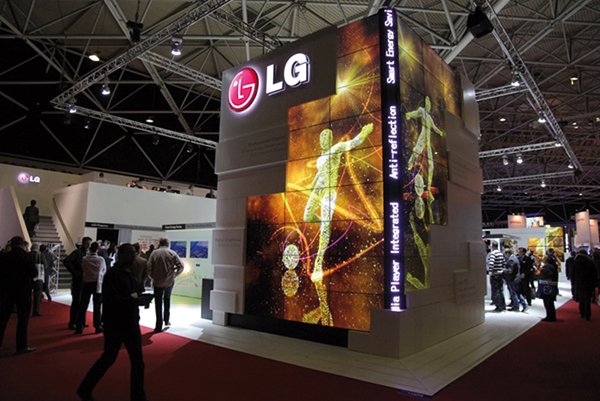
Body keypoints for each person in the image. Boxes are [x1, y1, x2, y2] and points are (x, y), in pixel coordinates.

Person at [302, 122, 374, 326]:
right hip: (318, 190)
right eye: (321, 137)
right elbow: (318, 174)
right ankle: (324, 227)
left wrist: (364, 132)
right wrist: (311, 185)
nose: (323, 139)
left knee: (325, 227)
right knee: (307, 215)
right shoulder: (321, 156)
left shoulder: (336, 149)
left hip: (329, 193)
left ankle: (318, 263)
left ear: (331, 139)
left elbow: (353, 143)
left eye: (326, 137)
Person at [77, 244, 148, 401]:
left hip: (129, 321)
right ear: (122, 255)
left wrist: (138, 298)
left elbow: (130, 293)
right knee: (110, 358)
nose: (134, 256)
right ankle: (85, 388)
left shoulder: (128, 273)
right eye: (131, 254)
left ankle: (138, 396)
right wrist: (134, 300)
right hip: (116, 323)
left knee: (134, 361)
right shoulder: (113, 274)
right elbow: (112, 299)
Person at [405, 96, 445, 224]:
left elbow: (434, 128)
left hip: (428, 142)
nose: (428, 105)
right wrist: (409, 115)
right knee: (416, 151)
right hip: (423, 138)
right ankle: (410, 162)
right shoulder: (422, 111)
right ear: (425, 103)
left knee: (431, 165)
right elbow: (415, 113)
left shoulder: (430, 118)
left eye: (429, 104)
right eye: (427, 102)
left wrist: (440, 133)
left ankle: (427, 186)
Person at [0, 236, 38, 354]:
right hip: (23, 291)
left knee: (3, 318)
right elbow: (34, 273)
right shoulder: (27, 257)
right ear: (22, 244)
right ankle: (21, 346)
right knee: (23, 319)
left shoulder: (5, 256)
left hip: (7, 290)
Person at [147, 238, 184, 332]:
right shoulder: (172, 253)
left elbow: (148, 267)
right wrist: (174, 275)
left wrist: (152, 277)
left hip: (157, 282)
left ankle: (158, 325)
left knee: (158, 303)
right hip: (169, 281)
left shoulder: (154, 253)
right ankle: (167, 320)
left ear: (160, 243)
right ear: (168, 244)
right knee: (167, 300)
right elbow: (181, 266)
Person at [77, 242, 107, 334]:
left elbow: (83, 268)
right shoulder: (100, 259)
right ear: (97, 249)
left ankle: (80, 326)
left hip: (86, 282)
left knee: (83, 305)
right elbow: (104, 270)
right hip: (97, 283)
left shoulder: (84, 258)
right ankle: (97, 326)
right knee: (97, 306)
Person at [63, 237, 92, 330]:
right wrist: (74, 272)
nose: (89, 246)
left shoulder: (86, 253)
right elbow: (66, 261)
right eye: (87, 244)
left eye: (89, 244)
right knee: (76, 302)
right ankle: (72, 322)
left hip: (84, 281)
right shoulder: (78, 252)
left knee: (83, 302)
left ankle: (80, 321)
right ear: (83, 243)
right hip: (78, 281)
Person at [572, 247, 596, 321]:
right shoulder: (590, 261)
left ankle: (582, 312)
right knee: (587, 299)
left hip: (579, 283)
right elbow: (594, 273)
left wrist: (573, 282)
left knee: (581, 298)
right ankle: (587, 314)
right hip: (588, 283)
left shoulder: (575, 262)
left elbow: (573, 273)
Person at [537, 255, 559, 322]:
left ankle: (550, 316)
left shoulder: (548, 267)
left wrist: (542, 271)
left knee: (548, 302)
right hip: (549, 287)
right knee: (549, 303)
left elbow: (548, 275)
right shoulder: (552, 266)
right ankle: (551, 316)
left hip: (547, 287)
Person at [487, 242, 506, 312]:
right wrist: (501, 270)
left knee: (496, 291)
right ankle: (503, 306)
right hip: (500, 274)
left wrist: (490, 272)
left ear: (492, 246)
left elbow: (491, 264)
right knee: (501, 290)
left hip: (494, 275)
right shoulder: (501, 253)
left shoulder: (493, 254)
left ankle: (498, 306)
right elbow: (504, 263)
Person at [29, 243, 47, 317]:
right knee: (37, 294)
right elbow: (45, 265)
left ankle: (26, 310)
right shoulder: (40, 255)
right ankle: (35, 311)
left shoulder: (28, 254)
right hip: (39, 276)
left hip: (29, 277)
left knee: (28, 294)